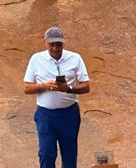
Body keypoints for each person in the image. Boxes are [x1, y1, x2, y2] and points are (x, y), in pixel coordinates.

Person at [23, 26, 90, 168]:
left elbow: (86, 86)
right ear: (45, 42)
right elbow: (27, 87)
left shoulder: (75, 58)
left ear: (63, 43)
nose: (55, 48)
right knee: (46, 153)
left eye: (58, 44)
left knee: (69, 154)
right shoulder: (37, 59)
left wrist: (69, 89)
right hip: (45, 115)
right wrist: (44, 86)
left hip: (69, 114)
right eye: (51, 44)